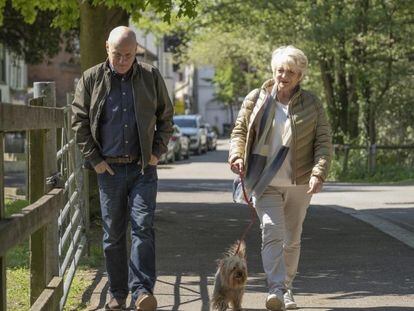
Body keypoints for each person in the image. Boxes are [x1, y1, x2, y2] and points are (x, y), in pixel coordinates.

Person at [72, 26, 173, 311]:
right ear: (107, 48)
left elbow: (165, 117)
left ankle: (142, 291)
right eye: (117, 54)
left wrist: (156, 153)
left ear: (136, 51)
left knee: (143, 228)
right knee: (113, 234)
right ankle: (117, 293)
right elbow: (78, 121)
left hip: (143, 169)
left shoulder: (151, 76)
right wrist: (96, 161)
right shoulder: (91, 78)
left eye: (128, 55)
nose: (122, 60)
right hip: (110, 171)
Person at [229, 45, 332, 310]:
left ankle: (287, 287)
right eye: (279, 70)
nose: (283, 76)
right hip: (265, 180)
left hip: (300, 182)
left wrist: (319, 173)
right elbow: (240, 130)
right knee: (272, 231)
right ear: (273, 71)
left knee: (292, 238)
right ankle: (276, 288)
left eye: (290, 72)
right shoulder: (257, 98)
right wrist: (237, 155)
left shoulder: (311, 103)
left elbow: (323, 141)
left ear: (300, 76)